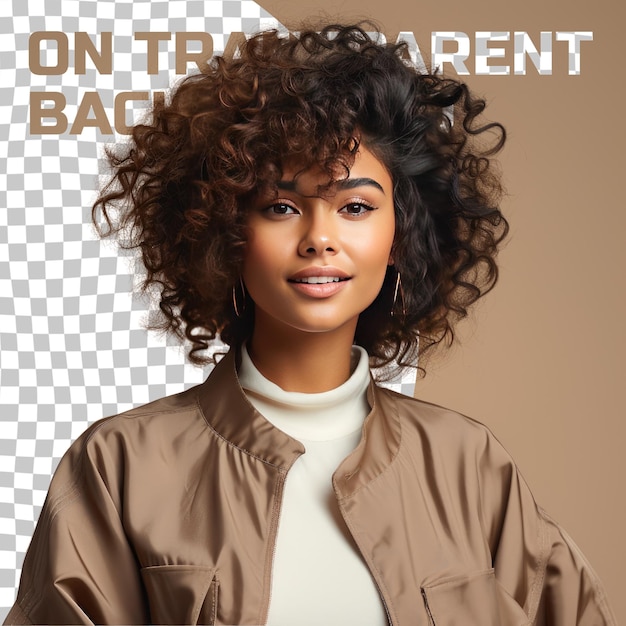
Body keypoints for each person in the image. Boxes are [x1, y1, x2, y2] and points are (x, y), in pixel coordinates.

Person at [5, 23, 616, 626]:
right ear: (226, 231)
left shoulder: (469, 464)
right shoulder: (120, 465)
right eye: (282, 207)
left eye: (355, 207)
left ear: (402, 236)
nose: (320, 239)